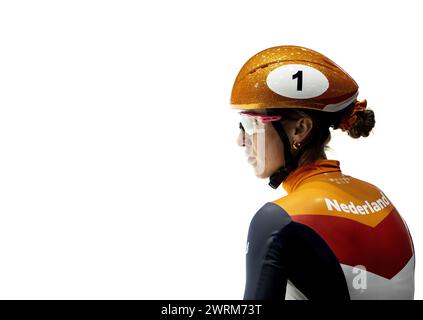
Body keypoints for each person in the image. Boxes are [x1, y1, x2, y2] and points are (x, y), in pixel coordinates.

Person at [231, 45, 415, 300]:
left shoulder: (278, 220)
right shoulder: (382, 202)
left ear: (300, 129)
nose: (241, 140)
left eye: (251, 123)